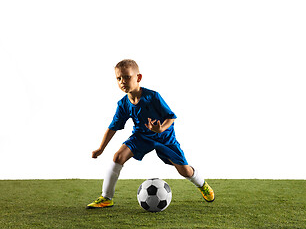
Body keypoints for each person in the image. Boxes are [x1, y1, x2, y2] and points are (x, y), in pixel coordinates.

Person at [86, 59, 214, 209]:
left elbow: (171, 117)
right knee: (118, 157)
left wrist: (160, 129)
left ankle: (202, 184)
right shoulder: (123, 104)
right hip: (141, 136)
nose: (122, 82)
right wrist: (101, 148)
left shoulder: (153, 97)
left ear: (138, 78)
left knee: (184, 170)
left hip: (164, 137)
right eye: (118, 78)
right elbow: (113, 127)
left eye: (127, 77)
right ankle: (106, 197)